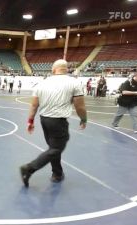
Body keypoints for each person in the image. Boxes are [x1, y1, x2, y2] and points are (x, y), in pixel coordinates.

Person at [20, 59, 87, 188]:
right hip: (58, 121)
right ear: (66, 69)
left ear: (53, 70)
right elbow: (80, 106)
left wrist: (30, 121)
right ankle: (29, 168)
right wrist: (84, 119)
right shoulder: (74, 83)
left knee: (53, 149)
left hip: (44, 120)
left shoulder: (42, 84)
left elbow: (34, 105)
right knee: (56, 148)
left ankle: (57, 173)